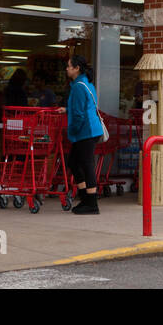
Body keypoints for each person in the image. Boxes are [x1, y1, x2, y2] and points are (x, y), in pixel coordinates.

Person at [64, 56, 104, 215]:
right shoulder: (86, 84)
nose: (67, 69)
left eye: (69, 66)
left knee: (86, 165)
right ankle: (85, 198)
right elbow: (84, 106)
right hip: (90, 130)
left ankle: (92, 203)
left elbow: (80, 114)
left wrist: (72, 131)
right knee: (74, 162)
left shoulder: (78, 87)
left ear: (76, 68)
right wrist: (66, 110)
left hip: (85, 131)